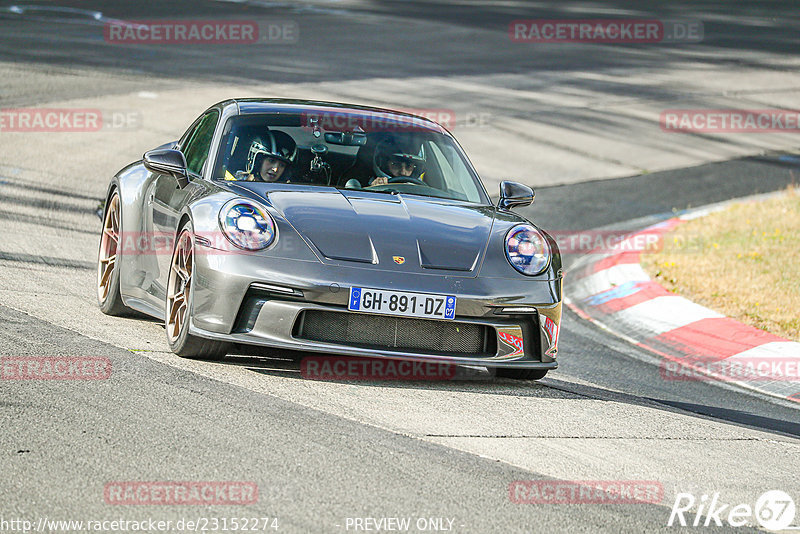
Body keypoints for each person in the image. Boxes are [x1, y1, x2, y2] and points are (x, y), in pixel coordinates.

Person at [228, 130, 297, 182]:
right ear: (258, 161)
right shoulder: (234, 183)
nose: (275, 169)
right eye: (271, 161)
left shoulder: (286, 193)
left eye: (282, 165)